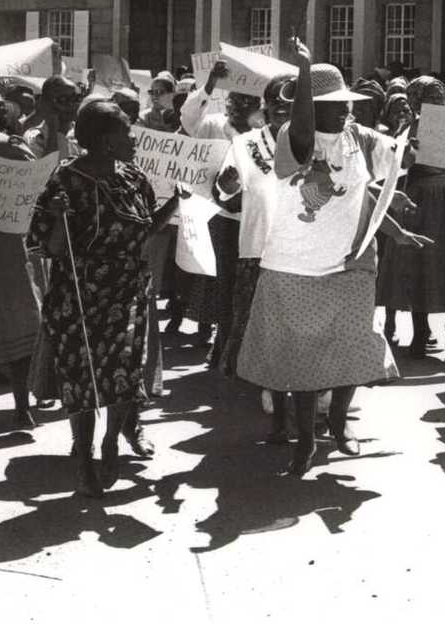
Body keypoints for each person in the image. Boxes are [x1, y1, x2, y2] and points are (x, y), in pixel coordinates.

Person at [236, 44, 430, 476]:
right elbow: (304, 124)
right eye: (332, 106)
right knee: (306, 364)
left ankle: (339, 423)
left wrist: (404, 137)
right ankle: (305, 440)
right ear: (308, 108)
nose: (343, 112)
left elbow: (376, 183)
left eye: (345, 105)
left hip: (350, 263)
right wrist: (304, 68)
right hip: (297, 267)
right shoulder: (292, 139)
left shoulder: (358, 137)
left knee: (353, 346)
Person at [26, 100, 177, 497]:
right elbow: (52, 249)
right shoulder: (64, 180)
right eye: (127, 132)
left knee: (123, 374)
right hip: (77, 295)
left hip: (126, 292)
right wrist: (58, 217)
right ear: (107, 141)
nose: (134, 138)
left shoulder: (133, 178)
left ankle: (112, 441)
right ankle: (85, 459)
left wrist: (177, 203)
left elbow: (146, 230)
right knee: (83, 380)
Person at [211, 76, 293, 442]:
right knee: (263, 324)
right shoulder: (244, 145)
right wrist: (226, 187)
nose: (282, 105)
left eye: (292, 99)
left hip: (307, 250)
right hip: (259, 247)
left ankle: (311, 389)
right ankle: (270, 384)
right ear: (265, 104)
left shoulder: (319, 142)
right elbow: (226, 196)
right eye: (275, 98)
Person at [379, 75, 445, 358]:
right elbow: (396, 165)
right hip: (422, 201)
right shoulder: (408, 129)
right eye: (428, 98)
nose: (435, 103)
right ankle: (420, 333)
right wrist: (407, 151)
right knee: (418, 264)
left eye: (438, 97)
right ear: (417, 101)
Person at [179, 60, 261, 348]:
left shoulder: (261, 134)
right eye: (235, 101)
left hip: (250, 217)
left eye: (248, 102)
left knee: (240, 280)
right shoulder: (213, 124)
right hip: (216, 212)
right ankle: (209, 329)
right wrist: (211, 82)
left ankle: (231, 337)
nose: (239, 107)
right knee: (215, 275)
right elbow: (188, 119)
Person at [0, 96, 45, 430]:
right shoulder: (15, 149)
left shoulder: (11, 149)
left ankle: (22, 408)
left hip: (5, 255)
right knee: (18, 331)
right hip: (9, 254)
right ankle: (22, 409)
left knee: (15, 331)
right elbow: (40, 193)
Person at [23, 74, 81, 158]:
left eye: (75, 98)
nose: (72, 104)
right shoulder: (33, 137)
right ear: (46, 103)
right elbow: (49, 168)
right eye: (64, 99)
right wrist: (53, 132)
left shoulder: (83, 133)